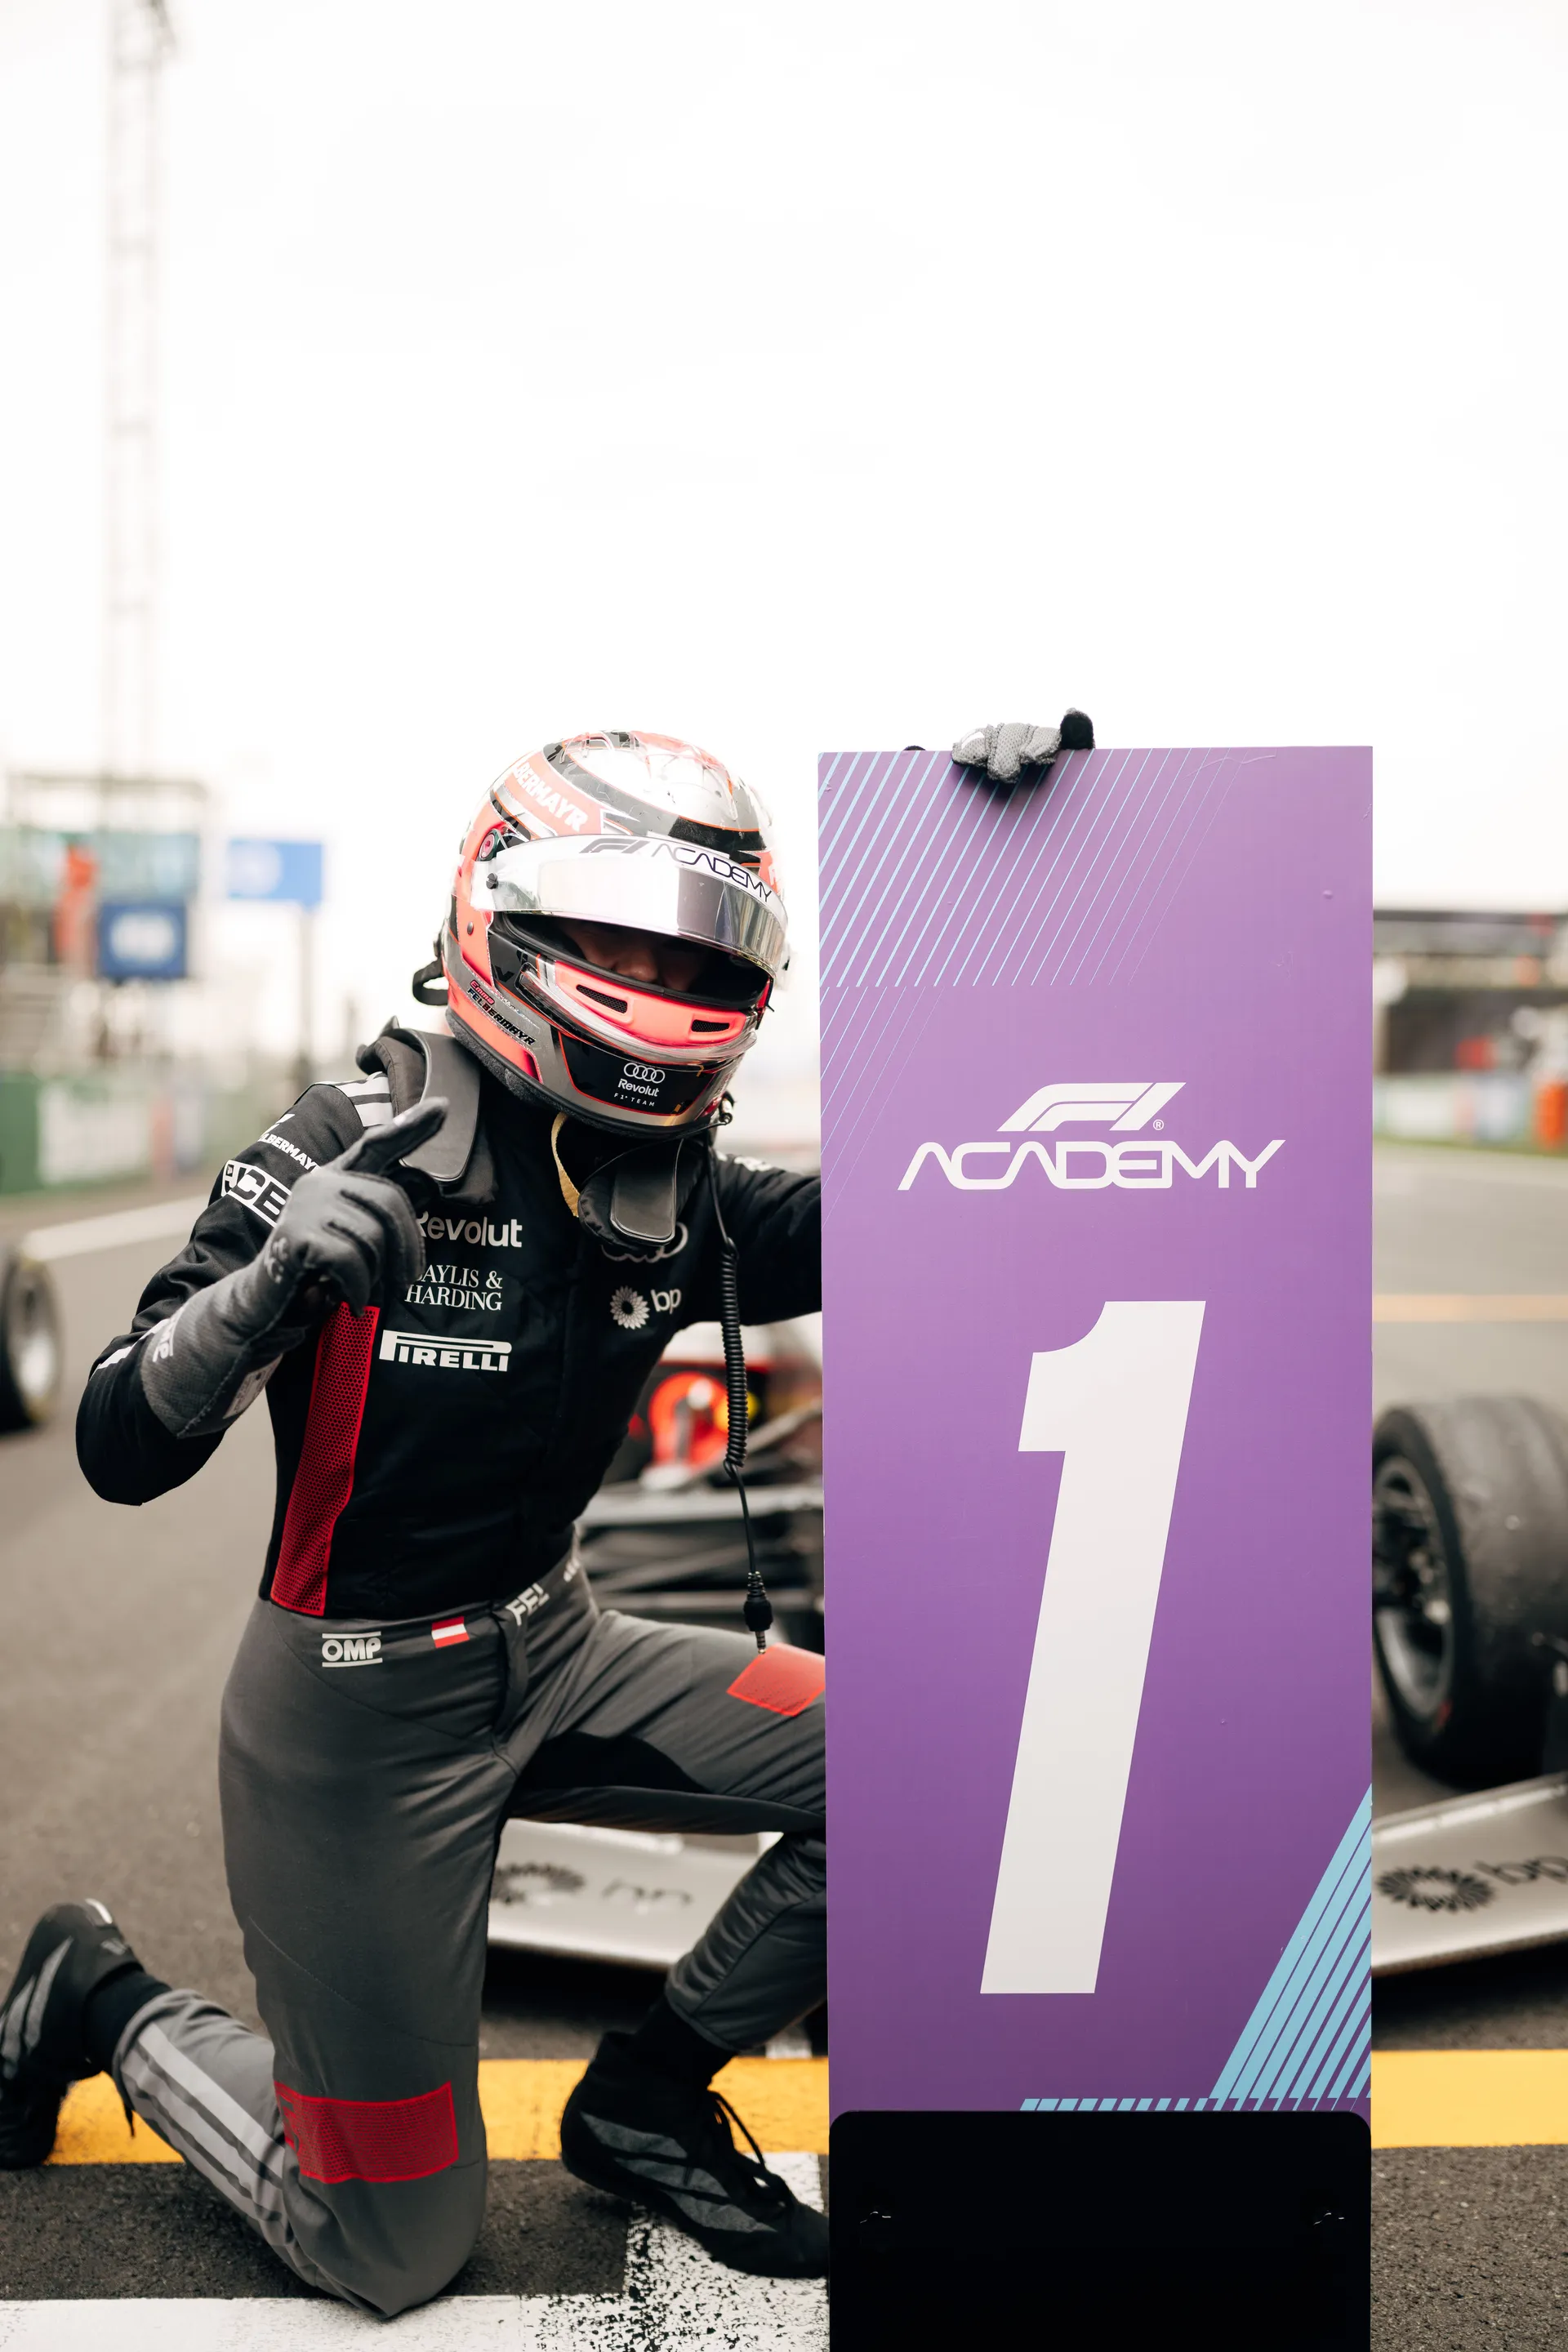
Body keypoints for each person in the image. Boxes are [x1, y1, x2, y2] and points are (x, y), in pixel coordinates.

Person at [0, 715, 1089, 2316]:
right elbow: (111, 1435)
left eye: (697, 952)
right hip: (357, 1724)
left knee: (935, 1772)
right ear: (501, 910)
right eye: (615, 934)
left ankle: (646, 2101)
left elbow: (961, 1180)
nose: (655, 982)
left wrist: (1003, 870)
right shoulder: (347, 1141)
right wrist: (264, 1295)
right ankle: (94, 1994)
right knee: (393, 2249)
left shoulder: (688, 1182)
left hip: (564, 1649)